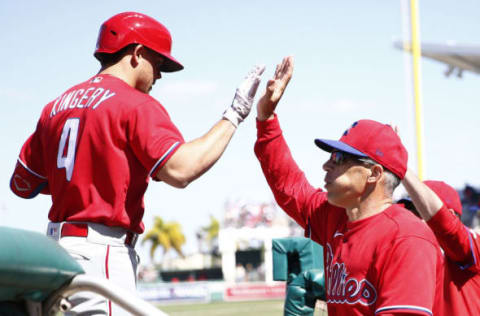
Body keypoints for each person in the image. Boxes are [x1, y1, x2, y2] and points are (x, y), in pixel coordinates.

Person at [9, 11, 264, 315]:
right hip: (102, 254)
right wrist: (235, 113)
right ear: (137, 54)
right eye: (158, 64)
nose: (158, 75)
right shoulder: (135, 104)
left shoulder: (55, 106)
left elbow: (22, 185)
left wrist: (84, 176)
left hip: (55, 254)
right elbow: (181, 170)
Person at [253, 56, 444, 315]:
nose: (326, 166)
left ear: (374, 174)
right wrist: (266, 118)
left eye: (340, 158)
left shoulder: (407, 237)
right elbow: (289, 187)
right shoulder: (335, 215)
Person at [401, 173, 480, 315]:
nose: (411, 219)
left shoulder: (469, 246)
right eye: (409, 212)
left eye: (419, 212)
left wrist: (402, 169)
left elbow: (449, 229)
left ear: (450, 214)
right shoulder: (408, 253)